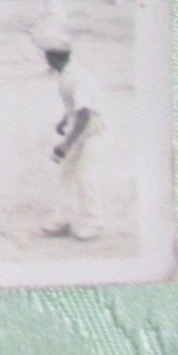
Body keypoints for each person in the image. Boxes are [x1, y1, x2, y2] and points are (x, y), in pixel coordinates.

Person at [40, 40, 104, 241]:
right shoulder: (66, 74)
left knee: (85, 177)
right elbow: (75, 108)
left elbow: (84, 114)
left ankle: (93, 223)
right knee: (65, 175)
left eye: (48, 55)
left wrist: (67, 143)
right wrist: (64, 120)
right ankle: (62, 221)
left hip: (91, 131)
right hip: (78, 128)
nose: (46, 59)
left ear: (54, 57)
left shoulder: (77, 77)